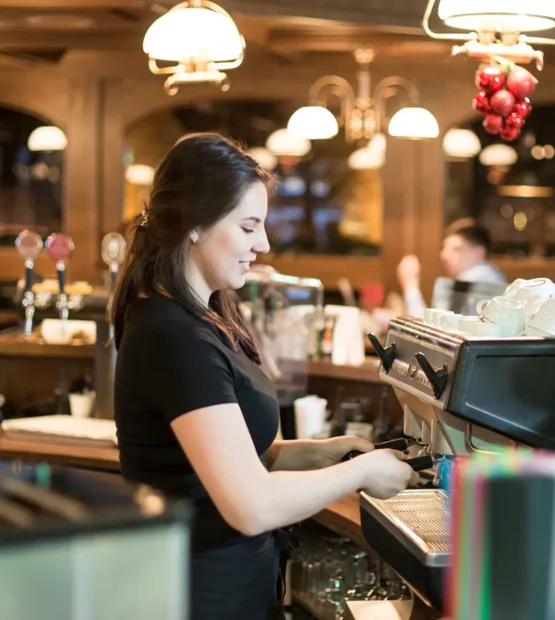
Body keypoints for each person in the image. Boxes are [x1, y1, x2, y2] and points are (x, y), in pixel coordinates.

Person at [111, 133, 418, 620]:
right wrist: (359, 473)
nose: (264, 243)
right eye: (249, 225)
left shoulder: (198, 320)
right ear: (194, 224)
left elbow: (246, 458)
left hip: (227, 581)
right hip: (199, 590)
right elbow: (248, 504)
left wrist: (325, 451)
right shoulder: (174, 338)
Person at [397, 217, 507, 316]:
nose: (444, 255)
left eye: (455, 249)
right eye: (444, 248)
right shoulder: (490, 275)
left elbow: (434, 333)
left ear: (479, 252)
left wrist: (410, 285)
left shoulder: (479, 279)